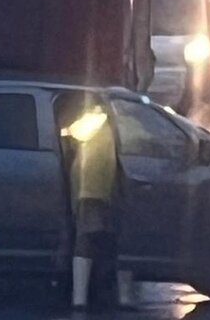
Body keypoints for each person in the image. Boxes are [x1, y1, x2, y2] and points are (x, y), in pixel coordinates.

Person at [55, 95, 135, 311]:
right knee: (91, 237)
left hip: (107, 185)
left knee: (106, 239)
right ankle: (84, 298)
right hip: (96, 186)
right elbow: (74, 132)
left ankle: (90, 297)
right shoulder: (98, 119)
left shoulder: (102, 119)